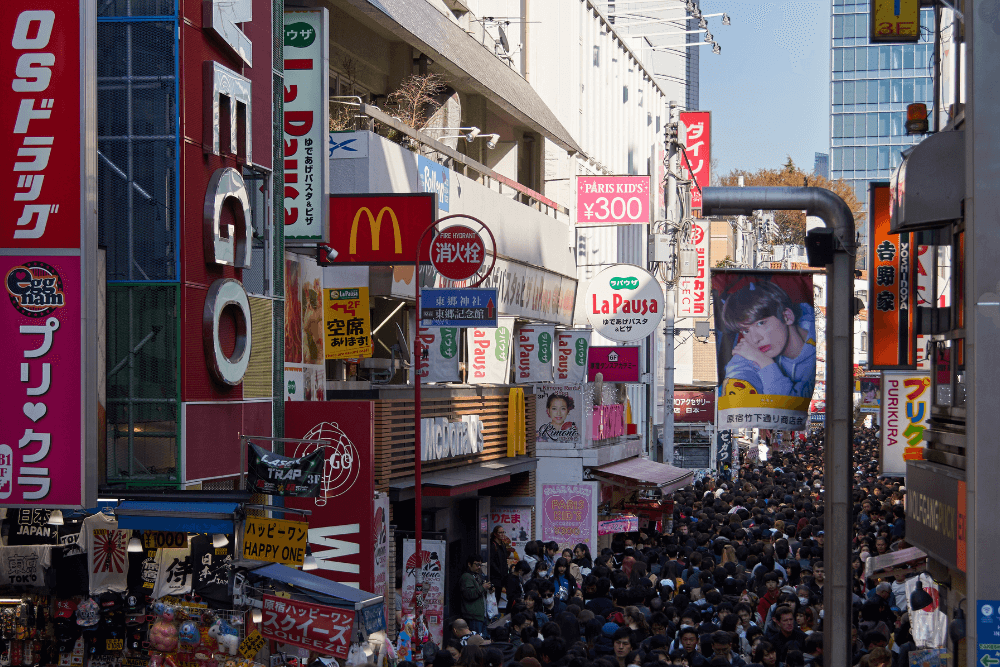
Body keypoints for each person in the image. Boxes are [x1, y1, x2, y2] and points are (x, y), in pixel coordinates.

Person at [719, 279, 816, 399]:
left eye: (760, 323)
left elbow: (788, 406)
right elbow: (740, 367)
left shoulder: (822, 352)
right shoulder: (760, 346)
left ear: (786, 317)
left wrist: (765, 363)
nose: (755, 339)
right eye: (745, 331)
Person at [459, 555, 492, 636]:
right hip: (473, 616)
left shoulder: (476, 576)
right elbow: (469, 594)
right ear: (469, 564)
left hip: (481, 615)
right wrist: (483, 588)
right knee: (476, 640)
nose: (479, 567)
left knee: (482, 640)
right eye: (477, 564)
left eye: (480, 565)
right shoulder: (466, 577)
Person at [489, 526, 510, 591]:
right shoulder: (493, 545)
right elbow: (491, 561)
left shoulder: (502, 544)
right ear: (495, 534)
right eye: (500, 532)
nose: (502, 534)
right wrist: (499, 572)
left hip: (503, 576)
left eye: (503, 532)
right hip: (496, 577)